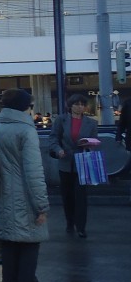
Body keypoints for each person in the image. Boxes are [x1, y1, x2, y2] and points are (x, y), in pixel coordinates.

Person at [0, 88, 56, 282]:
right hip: (24, 197)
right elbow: (33, 172)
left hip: (3, 195)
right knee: (29, 246)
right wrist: (41, 206)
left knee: (10, 247)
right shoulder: (26, 131)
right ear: (25, 106)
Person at [48, 93, 99, 238]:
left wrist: (88, 144)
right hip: (65, 162)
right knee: (67, 195)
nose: (80, 107)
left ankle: (81, 226)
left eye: (83, 104)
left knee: (81, 195)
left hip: (83, 161)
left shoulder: (91, 123)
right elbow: (53, 138)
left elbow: (95, 140)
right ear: (71, 106)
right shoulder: (61, 120)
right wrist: (58, 150)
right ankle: (70, 221)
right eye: (77, 104)